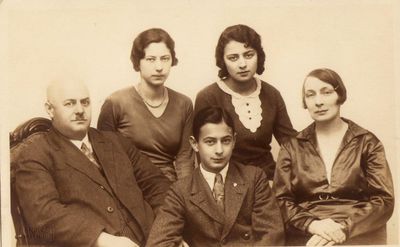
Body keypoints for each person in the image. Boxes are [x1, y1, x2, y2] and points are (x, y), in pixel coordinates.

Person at [15, 79, 171, 247]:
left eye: (85, 102)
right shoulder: (34, 155)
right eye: (69, 104)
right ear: (50, 109)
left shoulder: (116, 141)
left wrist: (167, 230)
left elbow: (156, 184)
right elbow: (43, 215)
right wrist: (100, 239)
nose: (80, 110)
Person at [273, 68, 395, 246]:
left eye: (326, 92)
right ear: (305, 102)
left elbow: (384, 201)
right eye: (310, 95)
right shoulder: (292, 147)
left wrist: (343, 229)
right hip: (307, 234)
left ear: (340, 95)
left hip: (359, 234)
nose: (318, 102)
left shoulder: (367, 142)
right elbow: (280, 200)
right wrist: (312, 225)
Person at [146, 106, 285, 247]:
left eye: (225, 141)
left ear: (234, 141)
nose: (219, 151)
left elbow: (271, 235)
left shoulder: (254, 178)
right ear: (195, 144)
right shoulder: (181, 190)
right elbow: (158, 242)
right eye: (210, 142)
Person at [194, 24, 297, 180]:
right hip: (227, 180)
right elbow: (202, 154)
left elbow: (291, 144)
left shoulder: (272, 94)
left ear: (259, 56)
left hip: (267, 178)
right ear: (223, 60)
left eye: (248, 55)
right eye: (233, 58)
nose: (242, 64)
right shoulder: (209, 96)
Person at [98, 28, 194, 182]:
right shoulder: (116, 102)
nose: (159, 67)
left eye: (165, 58)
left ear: (172, 60)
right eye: (150, 59)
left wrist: (185, 195)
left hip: (169, 186)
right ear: (138, 62)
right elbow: (104, 156)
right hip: (128, 183)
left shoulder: (184, 104)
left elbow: (185, 159)